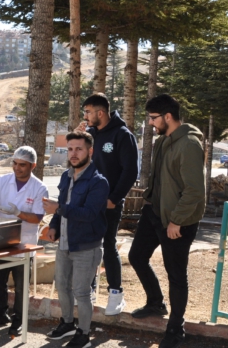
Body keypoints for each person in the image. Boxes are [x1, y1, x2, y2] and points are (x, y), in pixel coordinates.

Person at [129, 94, 205, 348]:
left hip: (177, 221)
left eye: (153, 118)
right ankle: (155, 303)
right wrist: (149, 204)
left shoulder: (190, 145)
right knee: (137, 256)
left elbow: (194, 190)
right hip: (155, 213)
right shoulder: (164, 140)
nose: (151, 123)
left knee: (176, 275)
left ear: (168, 117)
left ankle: (176, 328)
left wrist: (177, 221)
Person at [42, 131, 109, 348]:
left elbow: (88, 214)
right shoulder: (65, 176)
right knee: (62, 286)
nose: (73, 153)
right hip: (64, 243)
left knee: (81, 291)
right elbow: (60, 207)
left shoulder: (99, 182)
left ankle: (84, 333)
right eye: (70, 149)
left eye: (79, 149)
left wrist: (59, 209)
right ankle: (68, 323)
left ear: (90, 151)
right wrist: (53, 226)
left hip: (86, 246)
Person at [78, 94, 139, 315]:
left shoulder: (122, 135)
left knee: (108, 245)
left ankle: (116, 294)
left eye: (88, 112)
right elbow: (77, 162)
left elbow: (130, 171)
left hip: (109, 203)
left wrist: (114, 198)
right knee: (88, 246)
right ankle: (90, 290)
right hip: (87, 202)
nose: (85, 116)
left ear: (100, 113)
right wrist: (79, 135)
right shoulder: (90, 134)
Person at [0, 146, 48, 336]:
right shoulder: (2, 181)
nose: (17, 168)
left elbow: (37, 218)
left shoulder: (39, 187)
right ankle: (0, 312)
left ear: (32, 166)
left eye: (22, 165)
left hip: (24, 243)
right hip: (1, 240)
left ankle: (19, 319)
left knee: (20, 285)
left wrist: (18, 213)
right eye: (15, 163)